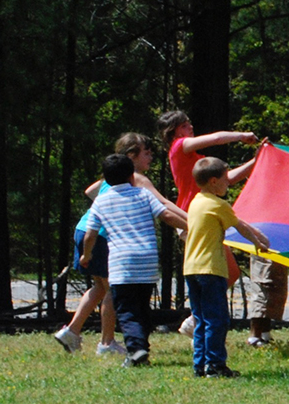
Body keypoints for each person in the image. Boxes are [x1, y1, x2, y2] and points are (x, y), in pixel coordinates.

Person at [53, 134, 186, 355]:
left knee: (99, 287)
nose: (151, 156)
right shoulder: (137, 179)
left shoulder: (111, 177)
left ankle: (72, 331)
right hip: (101, 236)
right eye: (146, 152)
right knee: (111, 290)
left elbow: (90, 191)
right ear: (131, 155)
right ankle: (106, 343)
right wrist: (192, 221)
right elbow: (163, 204)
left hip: (84, 229)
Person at [160, 111, 261, 335]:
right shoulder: (179, 146)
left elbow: (228, 178)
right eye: (185, 125)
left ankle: (196, 318)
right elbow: (215, 138)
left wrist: (256, 161)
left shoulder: (194, 158)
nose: (191, 127)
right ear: (176, 131)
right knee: (212, 274)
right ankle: (196, 320)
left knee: (230, 273)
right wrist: (241, 135)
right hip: (192, 218)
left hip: (204, 217)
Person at [81, 153, 186, 367]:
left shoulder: (101, 201)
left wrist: (86, 254)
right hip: (147, 262)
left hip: (122, 266)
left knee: (128, 311)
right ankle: (142, 349)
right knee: (141, 308)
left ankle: (136, 350)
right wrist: (191, 227)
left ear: (106, 180)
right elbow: (166, 215)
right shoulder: (143, 195)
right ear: (132, 176)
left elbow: (90, 234)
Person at [184, 157, 272, 377]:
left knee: (201, 319)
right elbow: (240, 225)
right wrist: (258, 241)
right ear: (214, 181)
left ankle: (199, 365)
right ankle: (215, 365)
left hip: (191, 269)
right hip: (210, 269)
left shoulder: (196, 201)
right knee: (217, 319)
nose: (228, 183)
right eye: (226, 179)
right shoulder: (218, 204)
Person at [244, 255, 289, 347]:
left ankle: (265, 335)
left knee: (271, 292)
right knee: (262, 293)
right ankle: (254, 337)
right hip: (263, 252)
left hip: (275, 254)